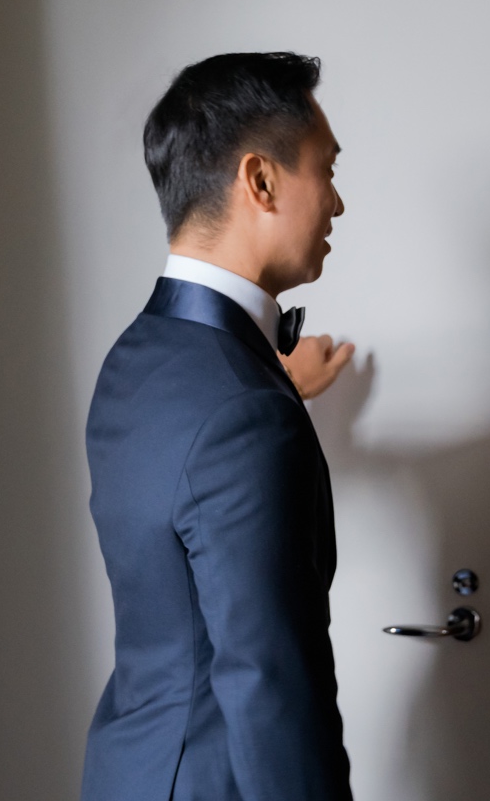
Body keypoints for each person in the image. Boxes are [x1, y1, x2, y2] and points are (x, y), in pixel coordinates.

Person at [81, 52, 354, 801]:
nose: (336, 204)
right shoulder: (244, 414)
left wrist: (278, 385)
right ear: (260, 180)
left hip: (132, 769)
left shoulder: (139, 359)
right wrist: (269, 401)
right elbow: (270, 688)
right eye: (326, 171)